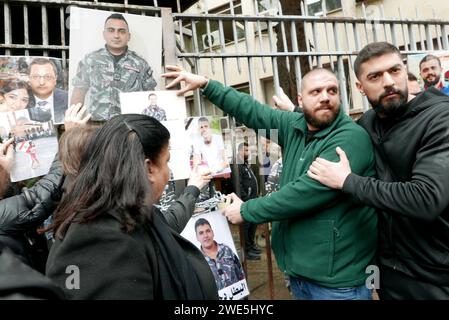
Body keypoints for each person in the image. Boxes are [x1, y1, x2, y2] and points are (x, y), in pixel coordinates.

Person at [163, 65, 378, 300]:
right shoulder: (295, 125)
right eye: (316, 92)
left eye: (332, 91)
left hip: (338, 283)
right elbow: (252, 111)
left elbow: (303, 194)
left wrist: (246, 210)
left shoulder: (349, 137)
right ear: (301, 99)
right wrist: (207, 84)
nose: (325, 97)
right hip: (301, 273)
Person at [307, 42, 449, 300]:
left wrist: (347, 181)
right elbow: (332, 127)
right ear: (360, 87)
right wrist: (299, 111)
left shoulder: (440, 118)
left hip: (434, 273)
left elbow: (426, 199)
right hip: (385, 269)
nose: (388, 82)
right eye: (375, 76)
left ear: (405, 71)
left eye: (394, 71)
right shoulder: (368, 123)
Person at [46, 114, 218, 299]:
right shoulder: (101, 239)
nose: (169, 171)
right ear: (148, 168)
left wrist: (192, 189)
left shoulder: (125, 212)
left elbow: (163, 228)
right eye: (167, 161)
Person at [70, 13, 157, 121]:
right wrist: (76, 125)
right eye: (111, 30)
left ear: (128, 36)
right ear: (104, 34)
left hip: (129, 127)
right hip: (97, 127)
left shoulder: (140, 64)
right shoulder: (90, 60)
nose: (116, 35)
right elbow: (78, 93)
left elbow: (151, 96)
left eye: (121, 31)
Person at [194, 218, 245, 291]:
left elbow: (241, 275)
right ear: (197, 237)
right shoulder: (197, 261)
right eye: (201, 233)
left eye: (208, 231)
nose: (205, 235)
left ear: (212, 233)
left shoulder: (227, 250)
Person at [234, 142, 260, 260]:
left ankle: (251, 245)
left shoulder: (245, 165)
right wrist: (245, 198)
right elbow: (237, 184)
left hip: (252, 200)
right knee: (246, 225)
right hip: (246, 201)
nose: (247, 153)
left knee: (252, 224)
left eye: (248, 150)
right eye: (245, 150)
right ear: (239, 151)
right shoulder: (237, 165)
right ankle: (247, 250)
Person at [28, 58, 68, 123]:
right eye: (36, 76)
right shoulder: (20, 101)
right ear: (28, 79)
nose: (42, 82)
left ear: (55, 79)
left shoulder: (68, 99)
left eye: (48, 77)